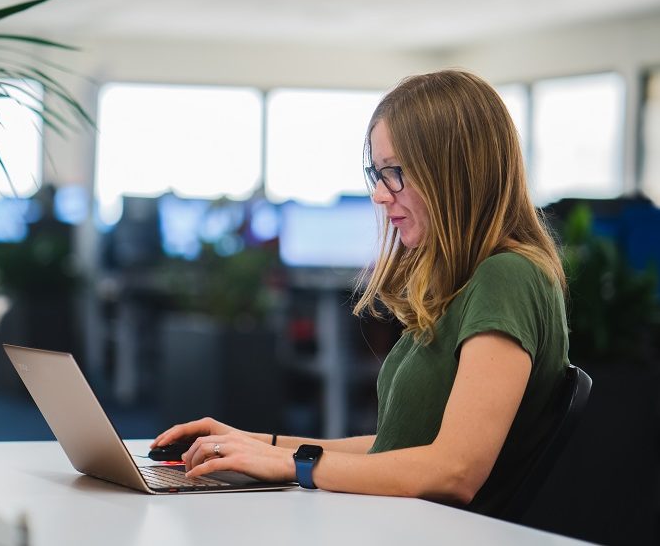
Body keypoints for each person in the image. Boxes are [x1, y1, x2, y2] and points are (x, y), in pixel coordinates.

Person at [151, 69, 569, 515]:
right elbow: (397, 447)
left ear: (453, 171)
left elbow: (454, 470)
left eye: (395, 172)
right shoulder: (463, 285)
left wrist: (293, 465)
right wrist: (253, 444)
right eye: (378, 172)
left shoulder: (508, 277)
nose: (379, 194)